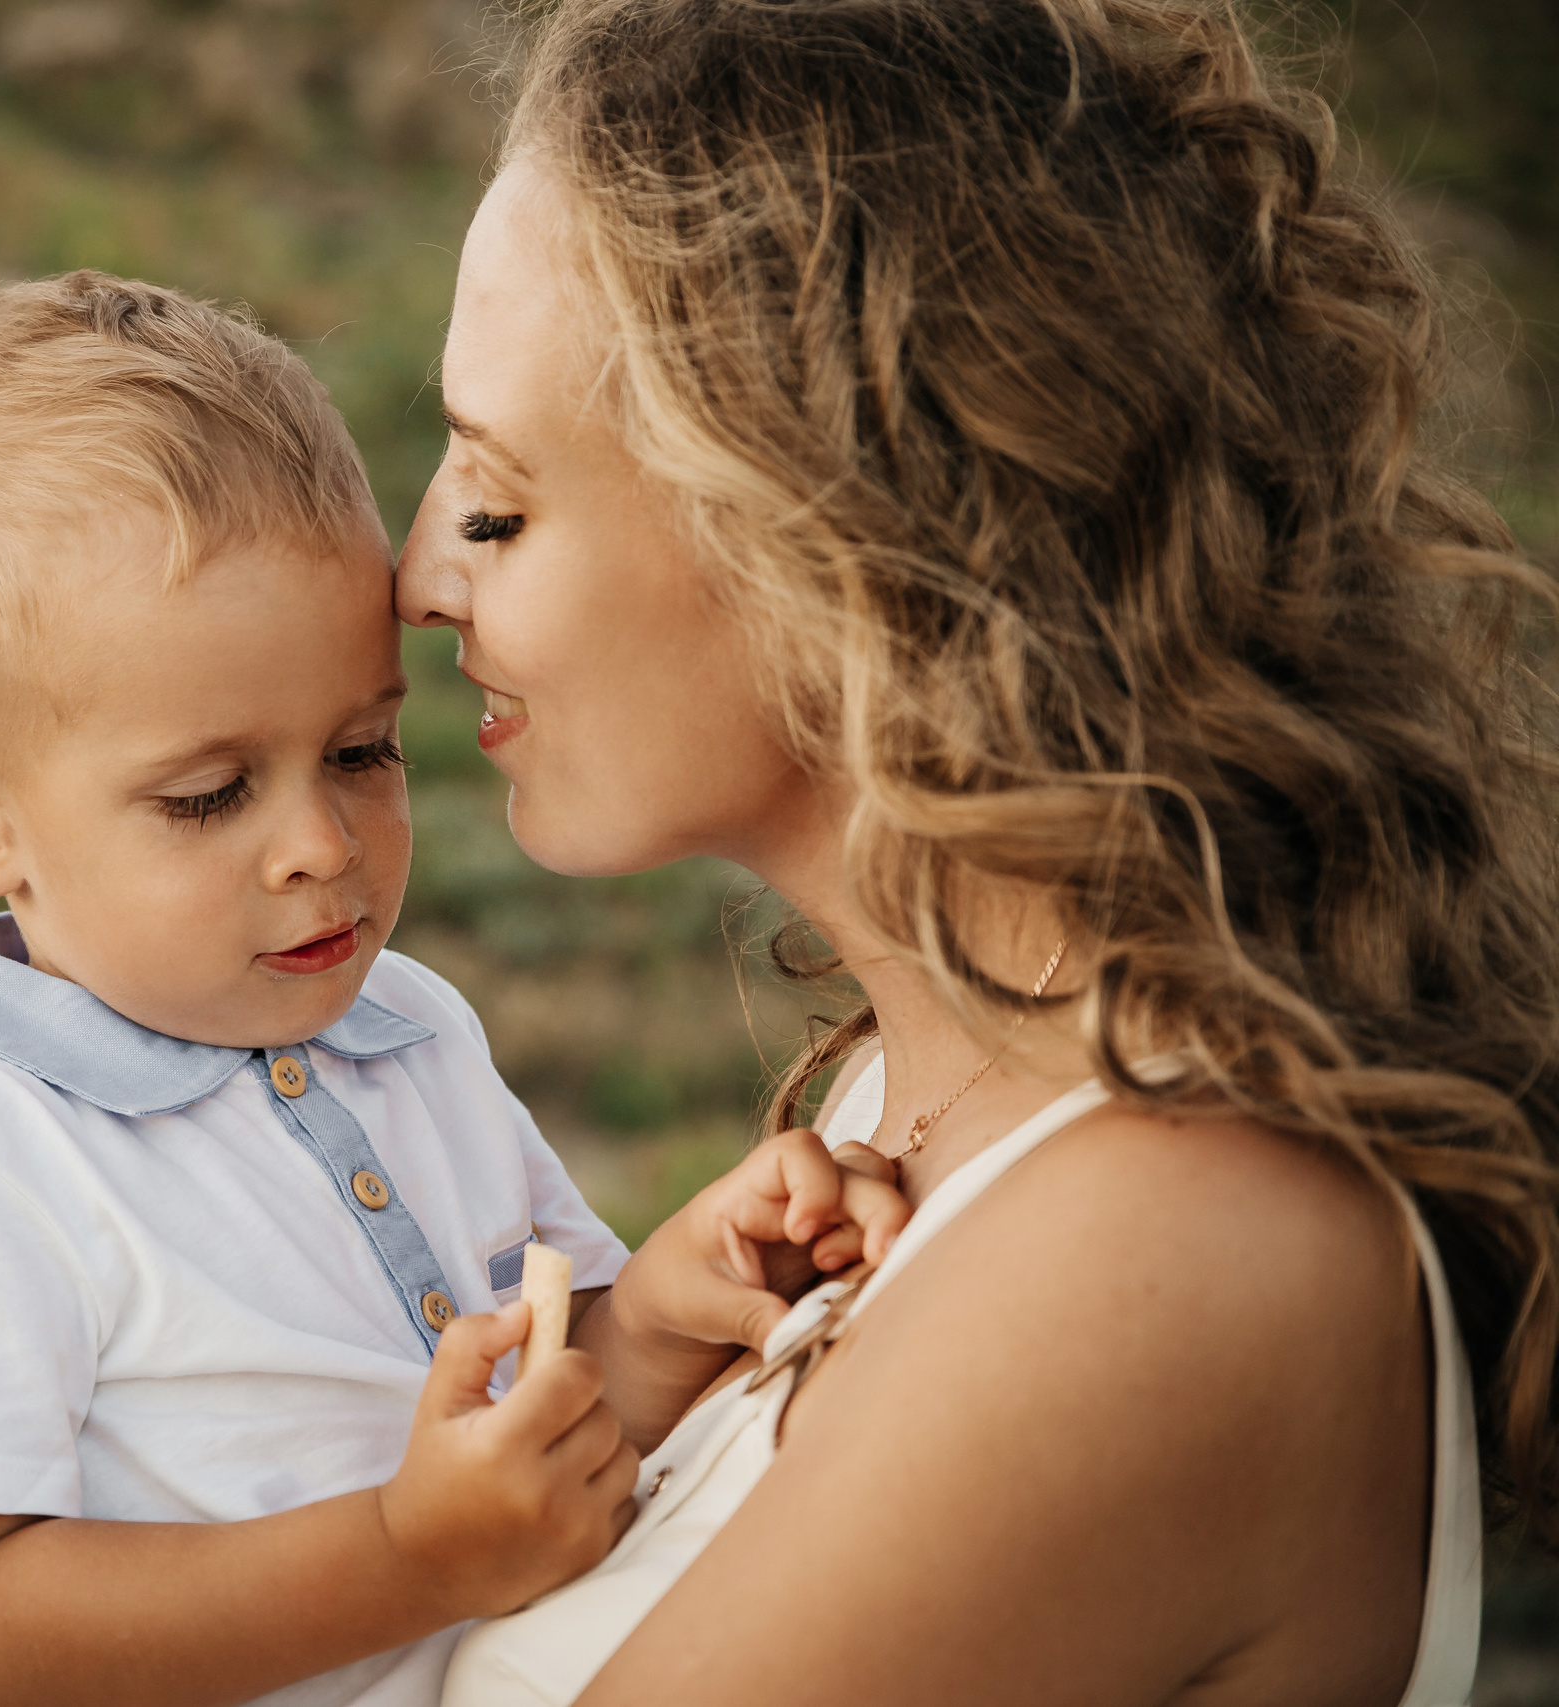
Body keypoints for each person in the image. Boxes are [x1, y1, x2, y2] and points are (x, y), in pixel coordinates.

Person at [393, 1, 1559, 1702]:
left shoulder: (1171, 1253)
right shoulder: (900, 1107)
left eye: (499, 504)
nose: (420, 578)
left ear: (829, 532)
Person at [0, 272, 911, 1707]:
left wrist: (673, 1305)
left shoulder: (412, 1033)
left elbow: (550, 1425)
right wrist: (410, 1556)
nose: (321, 847)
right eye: (208, 797)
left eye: (365, 751)